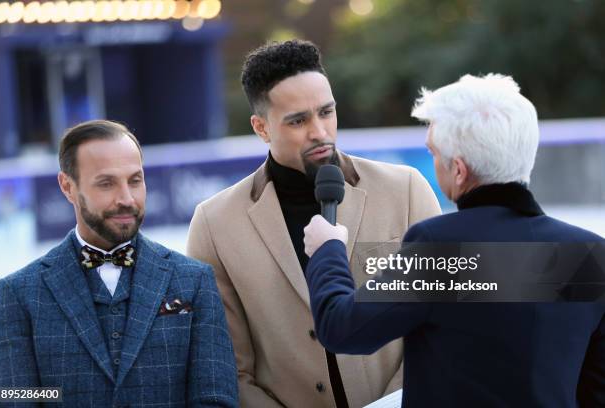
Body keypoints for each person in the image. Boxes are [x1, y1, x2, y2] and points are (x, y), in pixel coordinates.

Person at [303, 74, 605, 407]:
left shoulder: (439, 246)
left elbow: (342, 329)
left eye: (434, 152)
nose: (434, 163)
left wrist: (327, 250)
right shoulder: (590, 254)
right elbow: (596, 388)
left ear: (459, 170)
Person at [186, 40, 440, 408]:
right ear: (261, 127)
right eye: (298, 120)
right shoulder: (214, 224)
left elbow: (439, 319)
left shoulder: (406, 191)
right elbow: (229, 367)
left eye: (326, 112)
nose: (320, 131)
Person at [0, 120, 238, 407]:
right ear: (67, 186)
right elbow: (14, 398)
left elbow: (215, 399)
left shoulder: (194, 281)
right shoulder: (19, 293)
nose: (126, 198)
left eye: (135, 180)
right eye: (106, 183)